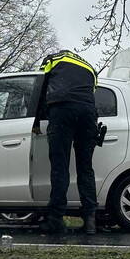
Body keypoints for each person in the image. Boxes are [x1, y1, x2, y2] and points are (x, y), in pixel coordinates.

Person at [38, 49, 99, 235]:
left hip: (62, 109)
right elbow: (91, 93)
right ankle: (90, 221)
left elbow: (40, 86)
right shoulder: (90, 68)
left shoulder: (53, 59)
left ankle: (56, 220)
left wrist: (38, 118)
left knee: (60, 166)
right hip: (88, 114)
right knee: (85, 167)